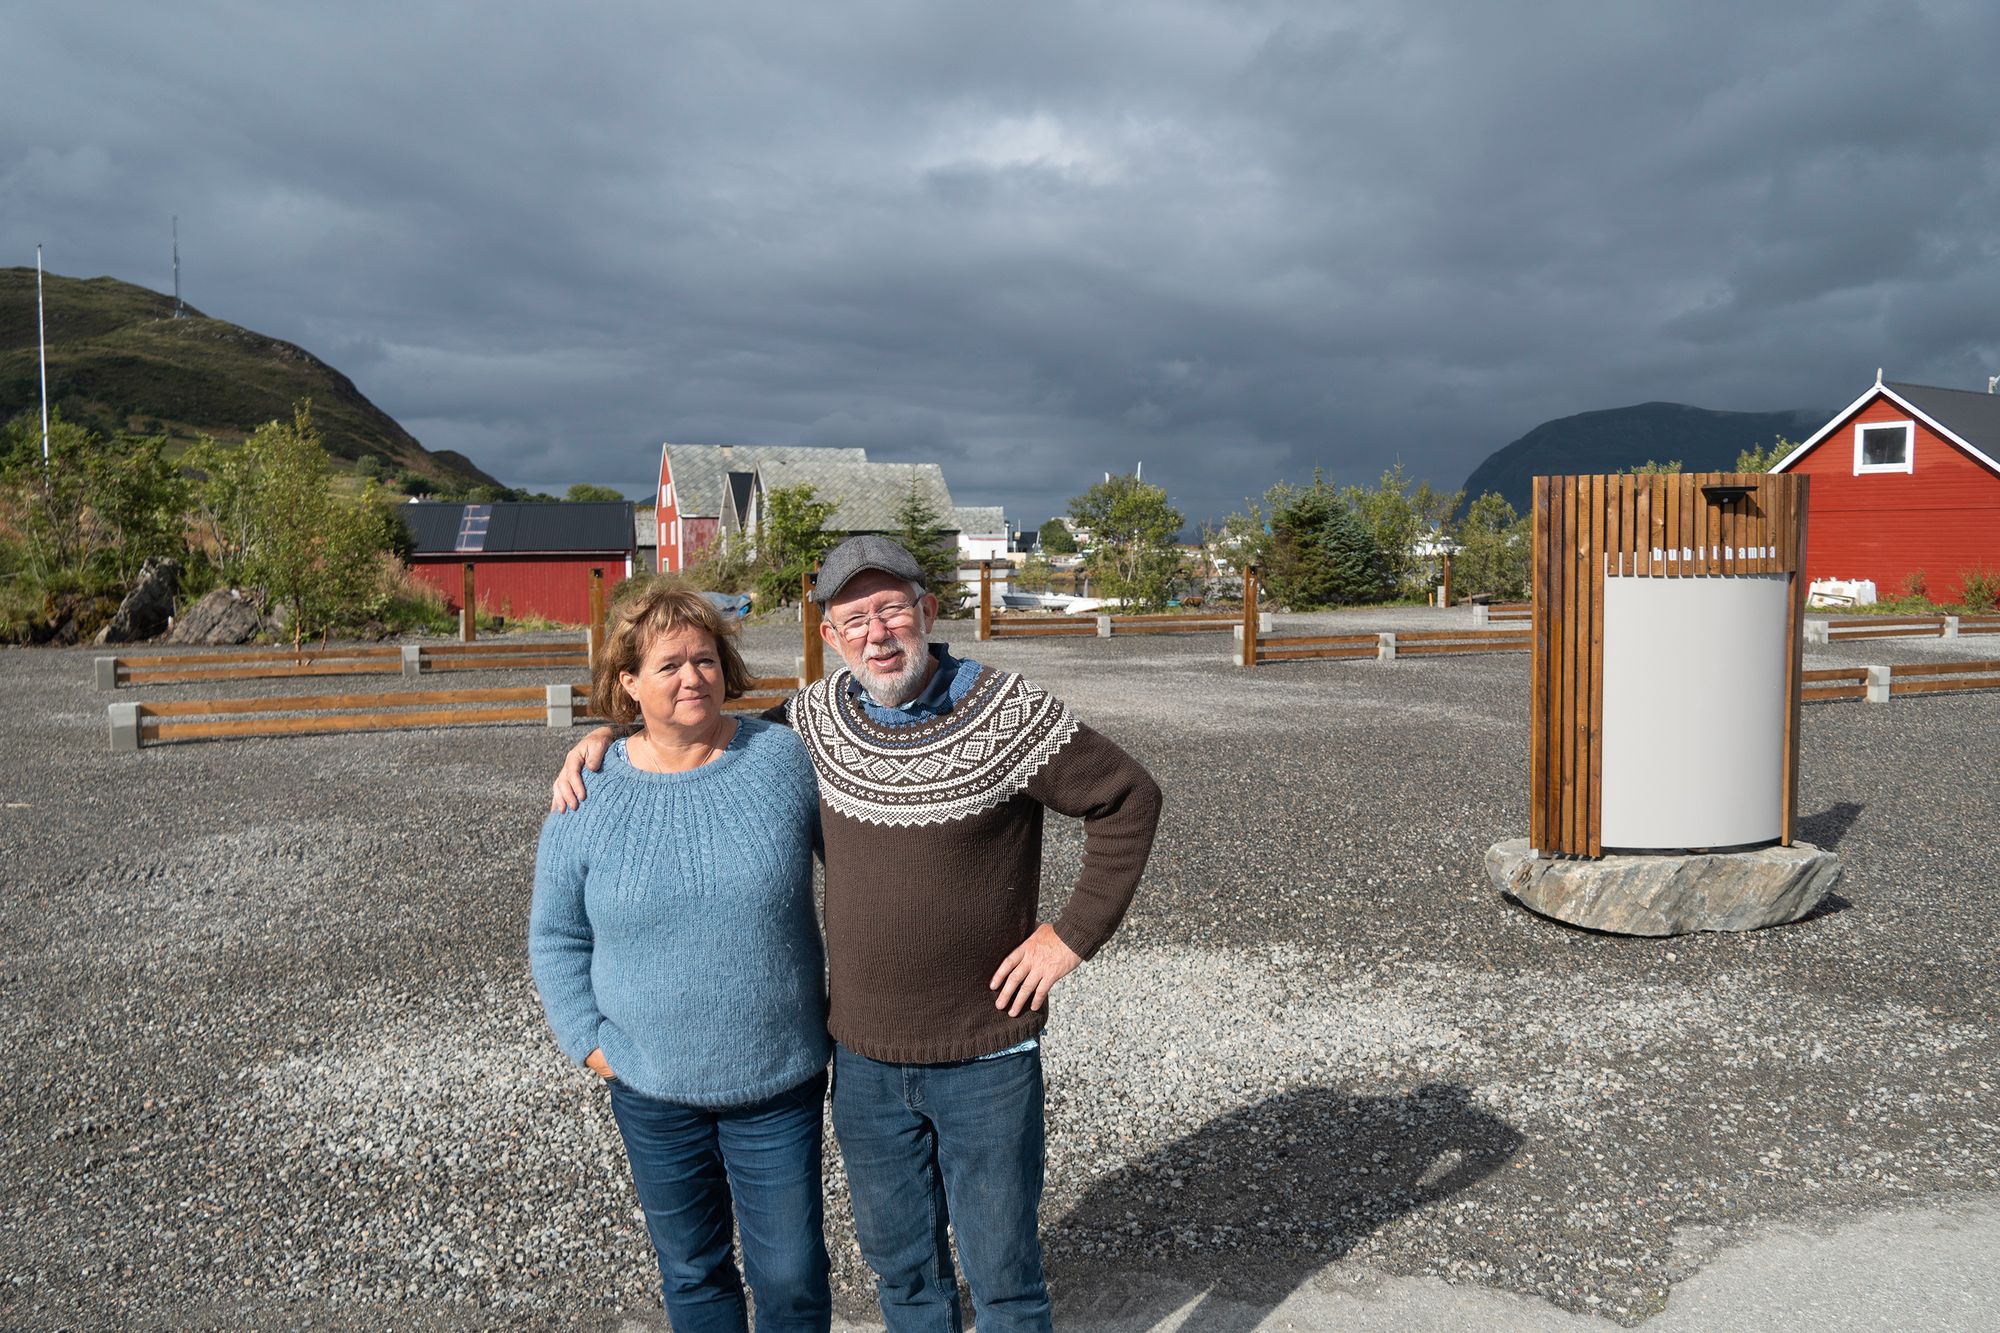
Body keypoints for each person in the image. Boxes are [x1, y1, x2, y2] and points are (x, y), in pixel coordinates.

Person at [554, 536, 1162, 1333]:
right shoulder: (812, 723)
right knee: (904, 1279)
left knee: (1005, 1281)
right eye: (854, 619)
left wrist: (1069, 937)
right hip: (866, 1061)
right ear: (831, 637)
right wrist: (606, 738)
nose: (877, 633)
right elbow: (697, 737)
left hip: (985, 1051)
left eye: (891, 609)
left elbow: (1128, 798)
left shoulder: (1009, 709)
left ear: (928, 610)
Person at [529, 580, 831, 1333]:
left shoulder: (783, 759)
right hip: (651, 1089)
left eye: (705, 659)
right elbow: (557, 935)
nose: (692, 676)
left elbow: (868, 868)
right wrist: (589, 1043)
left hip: (777, 1079)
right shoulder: (589, 790)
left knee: (792, 1275)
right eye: (668, 665)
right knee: (694, 1271)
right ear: (629, 682)